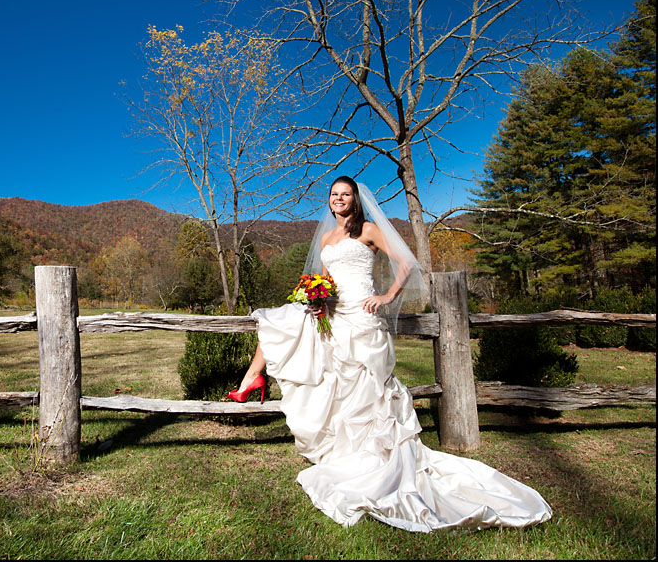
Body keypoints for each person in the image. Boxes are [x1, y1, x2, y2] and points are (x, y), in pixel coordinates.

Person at [227, 176, 553, 532]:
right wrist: (318, 300)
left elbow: (406, 263)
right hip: (335, 318)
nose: (339, 199)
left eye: (345, 194)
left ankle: (372, 458)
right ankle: (254, 379)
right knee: (281, 322)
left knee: (369, 391)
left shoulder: (367, 230)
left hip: (362, 319)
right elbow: (323, 282)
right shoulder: (325, 238)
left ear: (354, 199)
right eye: (334, 195)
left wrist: (386, 296)